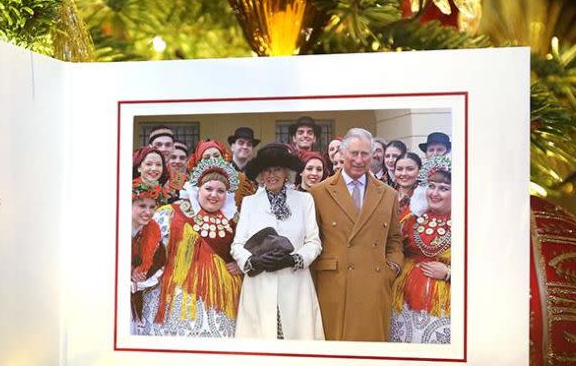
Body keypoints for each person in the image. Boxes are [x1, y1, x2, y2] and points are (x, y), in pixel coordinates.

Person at [308, 128, 404, 341]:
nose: (359, 159)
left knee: (370, 358)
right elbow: (311, 240)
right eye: (354, 153)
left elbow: (395, 239)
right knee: (335, 357)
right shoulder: (318, 192)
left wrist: (391, 268)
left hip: (374, 284)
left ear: (373, 155)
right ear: (341, 154)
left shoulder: (389, 194)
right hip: (334, 286)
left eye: (365, 154)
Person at [232, 144, 325, 340]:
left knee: (298, 347)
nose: (271, 175)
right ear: (260, 174)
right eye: (266, 170)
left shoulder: (304, 200)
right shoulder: (250, 203)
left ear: (286, 172)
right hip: (260, 285)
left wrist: (295, 259)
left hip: (295, 283)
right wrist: (253, 262)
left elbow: (313, 242)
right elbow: (237, 245)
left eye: (276, 169)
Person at [143, 158, 244, 337]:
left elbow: (247, 250)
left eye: (220, 191)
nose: (214, 195)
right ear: (198, 189)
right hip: (178, 293)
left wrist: (240, 264)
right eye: (209, 189)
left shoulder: (236, 220)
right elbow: (149, 249)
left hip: (220, 297)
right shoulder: (172, 212)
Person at [391, 156, 452, 344]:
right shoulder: (411, 217)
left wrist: (449, 273)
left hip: (444, 306)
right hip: (404, 302)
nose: (434, 193)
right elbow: (393, 247)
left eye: (443, 189)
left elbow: (484, 266)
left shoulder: (469, 223)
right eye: (431, 186)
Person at [130, 178, 167, 335]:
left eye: (152, 207)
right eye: (142, 206)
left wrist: (142, 277)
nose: (148, 212)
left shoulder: (153, 230)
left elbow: (160, 262)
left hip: (138, 292)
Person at [393, 152, 422, 222]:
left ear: (419, 171)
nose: (404, 173)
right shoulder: (389, 193)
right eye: (399, 169)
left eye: (410, 169)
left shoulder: (424, 197)